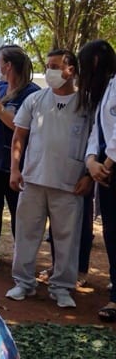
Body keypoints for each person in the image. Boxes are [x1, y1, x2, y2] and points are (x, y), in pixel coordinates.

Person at [6, 49, 92, 308]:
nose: (50, 71)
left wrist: (89, 175)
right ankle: (23, 282)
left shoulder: (87, 104)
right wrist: (15, 169)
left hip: (70, 182)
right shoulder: (35, 100)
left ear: (71, 70)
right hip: (33, 178)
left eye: (55, 66)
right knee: (26, 233)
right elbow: (19, 136)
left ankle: (62, 287)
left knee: (67, 237)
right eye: (48, 66)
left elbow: (95, 141)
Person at [0, 45, 39, 275]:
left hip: (15, 163)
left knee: (17, 213)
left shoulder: (31, 93)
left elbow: (16, 125)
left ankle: (20, 261)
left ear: (8, 65)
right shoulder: (0, 88)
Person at [82, 41, 116, 321]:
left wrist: (107, 162)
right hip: (105, 171)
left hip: (110, 167)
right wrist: (92, 160)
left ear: (94, 61)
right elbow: (98, 129)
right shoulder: (105, 89)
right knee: (111, 232)